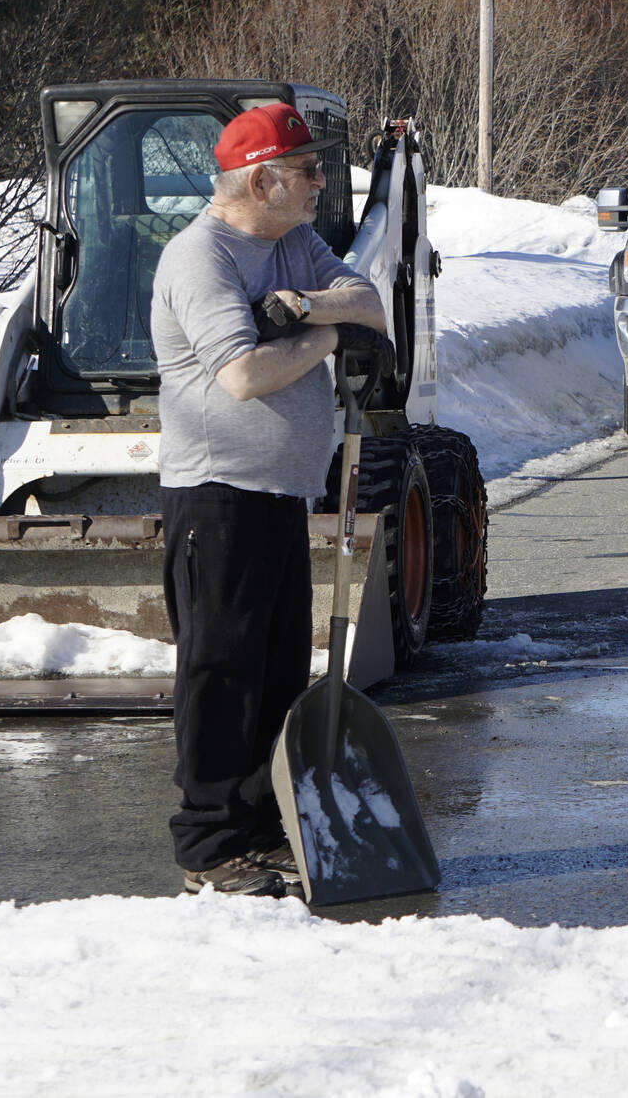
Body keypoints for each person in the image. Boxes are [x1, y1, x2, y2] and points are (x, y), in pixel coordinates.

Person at [151, 101, 388, 895]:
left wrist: (308, 309)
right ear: (262, 179)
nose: (323, 182)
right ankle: (209, 845)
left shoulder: (292, 242)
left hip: (281, 492)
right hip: (217, 496)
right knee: (221, 672)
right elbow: (244, 376)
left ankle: (259, 827)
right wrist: (327, 336)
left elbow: (371, 304)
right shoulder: (200, 259)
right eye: (308, 170)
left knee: (277, 670)